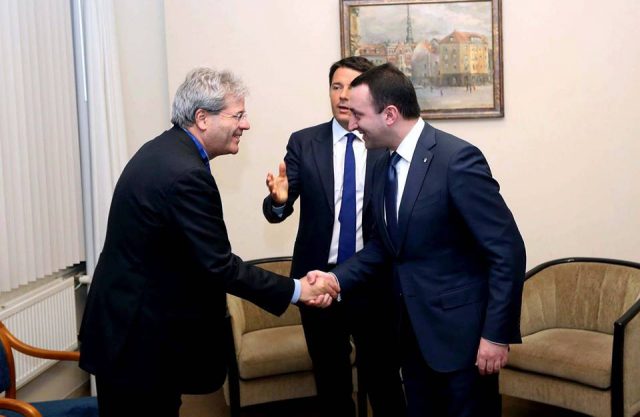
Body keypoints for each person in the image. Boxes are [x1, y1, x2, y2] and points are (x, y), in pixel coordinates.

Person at [78, 67, 338, 417]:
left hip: (130, 332)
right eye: (238, 115)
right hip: (138, 343)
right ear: (202, 118)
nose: (246, 125)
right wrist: (297, 290)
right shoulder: (186, 173)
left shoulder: (165, 151)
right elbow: (219, 265)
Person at [308, 63, 526, 417]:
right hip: (409, 336)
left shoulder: (456, 160)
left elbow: (506, 251)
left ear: (390, 114)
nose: (352, 124)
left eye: (359, 115)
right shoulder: (382, 162)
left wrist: (496, 335)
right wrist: (335, 278)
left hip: (462, 340)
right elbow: (386, 245)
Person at [263, 57, 406, 417]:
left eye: (351, 87)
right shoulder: (304, 142)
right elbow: (279, 207)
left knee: (384, 381)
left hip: (372, 282)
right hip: (318, 284)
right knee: (331, 384)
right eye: (335, 86)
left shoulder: (384, 143)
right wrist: (278, 201)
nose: (342, 96)